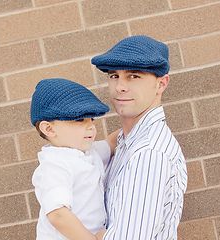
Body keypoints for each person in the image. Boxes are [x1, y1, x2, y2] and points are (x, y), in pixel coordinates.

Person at [91, 35, 188, 239]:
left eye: (133, 76)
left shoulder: (149, 152)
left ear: (161, 84)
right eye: (114, 76)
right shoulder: (126, 142)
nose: (120, 86)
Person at [30, 78, 118, 240]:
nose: (91, 126)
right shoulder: (55, 165)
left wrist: (138, 122)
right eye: (79, 120)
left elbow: (112, 142)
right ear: (49, 129)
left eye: (91, 119)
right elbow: (58, 215)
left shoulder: (89, 152)